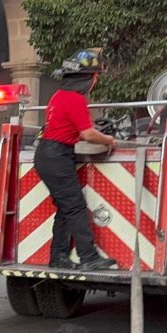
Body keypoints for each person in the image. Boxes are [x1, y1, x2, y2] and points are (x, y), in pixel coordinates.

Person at [35, 48, 118, 271]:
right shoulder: (76, 100)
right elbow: (87, 134)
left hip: (47, 154)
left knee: (65, 207)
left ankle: (58, 257)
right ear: (89, 78)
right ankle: (88, 257)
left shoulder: (58, 96)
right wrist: (109, 140)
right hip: (56, 155)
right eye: (95, 77)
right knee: (75, 207)